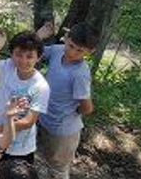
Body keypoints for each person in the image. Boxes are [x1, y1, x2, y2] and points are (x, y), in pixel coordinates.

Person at [0, 29, 49, 174]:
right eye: (18, 55)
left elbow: (28, 121)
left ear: (39, 57)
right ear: (11, 54)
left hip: (19, 148)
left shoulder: (40, 86)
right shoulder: (7, 66)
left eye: (29, 56)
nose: (23, 60)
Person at [35, 23, 98, 179]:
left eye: (80, 50)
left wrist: (72, 111)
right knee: (44, 160)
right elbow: (33, 51)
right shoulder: (57, 51)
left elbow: (87, 107)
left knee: (58, 169)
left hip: (64, 131)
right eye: (71, 46)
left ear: (90, 51)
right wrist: (38, 36)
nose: (73, 52)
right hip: (44, 119)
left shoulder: (80, 74)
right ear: (66, 38)